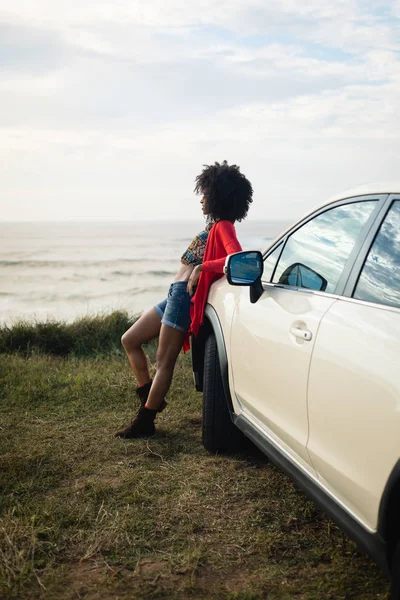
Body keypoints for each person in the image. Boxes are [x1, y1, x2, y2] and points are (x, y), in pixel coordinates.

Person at [115, 160, 253, 438]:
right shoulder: (214, 226)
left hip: (183, 299)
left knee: (164, 363)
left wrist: (205, 267)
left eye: (205, 193)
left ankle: (146, 420)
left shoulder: (224, 226)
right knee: (129, 340)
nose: (201, 199)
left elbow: (236, 259)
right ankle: (148, 395)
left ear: (217, 196)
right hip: (174, 294)